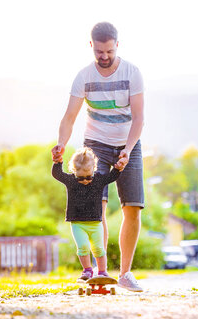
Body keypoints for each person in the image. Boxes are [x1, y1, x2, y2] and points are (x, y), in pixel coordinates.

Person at [51, 21, 145, 292]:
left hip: (129, 143)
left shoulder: (132, 73)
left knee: (133, 207)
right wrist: (61, 143)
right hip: (96, 144)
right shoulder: (83, 77)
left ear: (117, 45)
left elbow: (139, 118)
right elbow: (69, 117)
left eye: (109, 51)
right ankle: (98, 272)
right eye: (99, 52)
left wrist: (127, 150)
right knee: (96, 207)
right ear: (91, 45)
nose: (104, 57)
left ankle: (125, 273)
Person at [52, 147, 122, 281]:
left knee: (99, 249)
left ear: (94, 169)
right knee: (83, 247)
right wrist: (57, 162)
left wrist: (118, 167)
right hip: (77, 223)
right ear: (74, 171)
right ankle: (87, 270)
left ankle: (102, 272)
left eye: (88, 176)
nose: (85, 180)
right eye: (81, 178)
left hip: (96, 223)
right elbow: (57, 174)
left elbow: (112, 176)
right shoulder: (71, 180)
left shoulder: (99, 180)